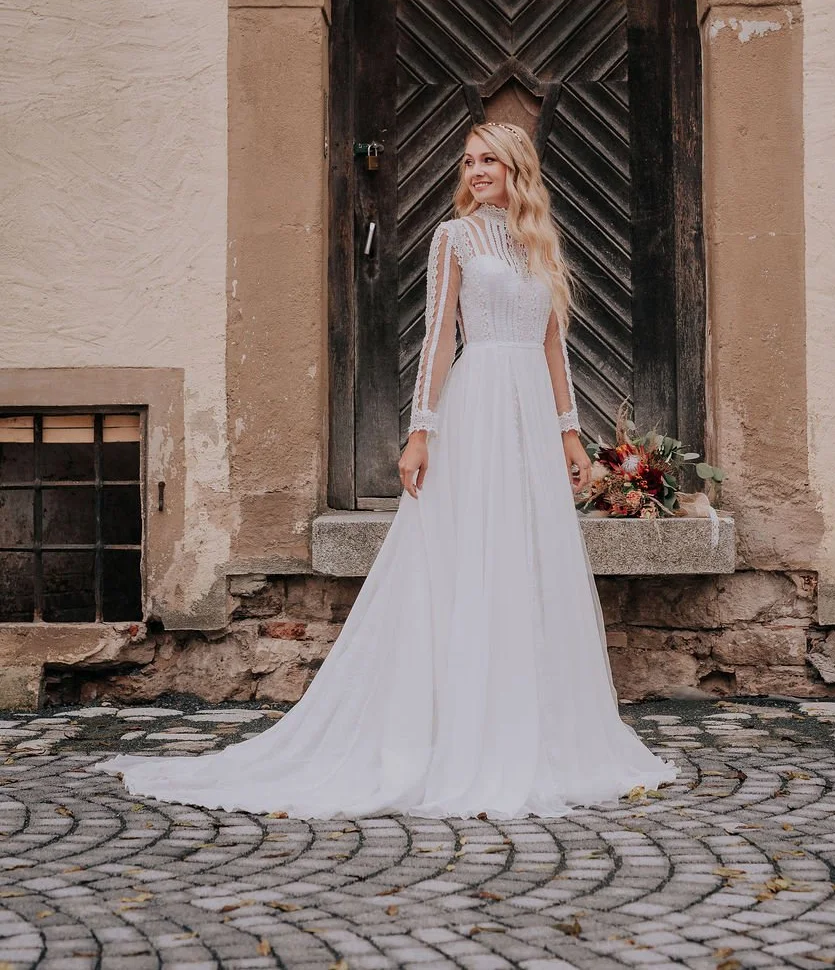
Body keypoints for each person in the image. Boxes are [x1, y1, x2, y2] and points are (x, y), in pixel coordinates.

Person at [96, 121, 676, 818]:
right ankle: (456, 731)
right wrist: (420, 432)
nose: (477, 170)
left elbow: (554, 349)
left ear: (518, 166)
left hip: (529, 417)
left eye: (490, 159)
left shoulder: (540, 246)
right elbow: (435, 339)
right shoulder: (453, 238)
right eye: (469, 161)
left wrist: (570, 435)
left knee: (527, 560)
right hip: (478, 407)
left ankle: (534, 728)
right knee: (463, 559)